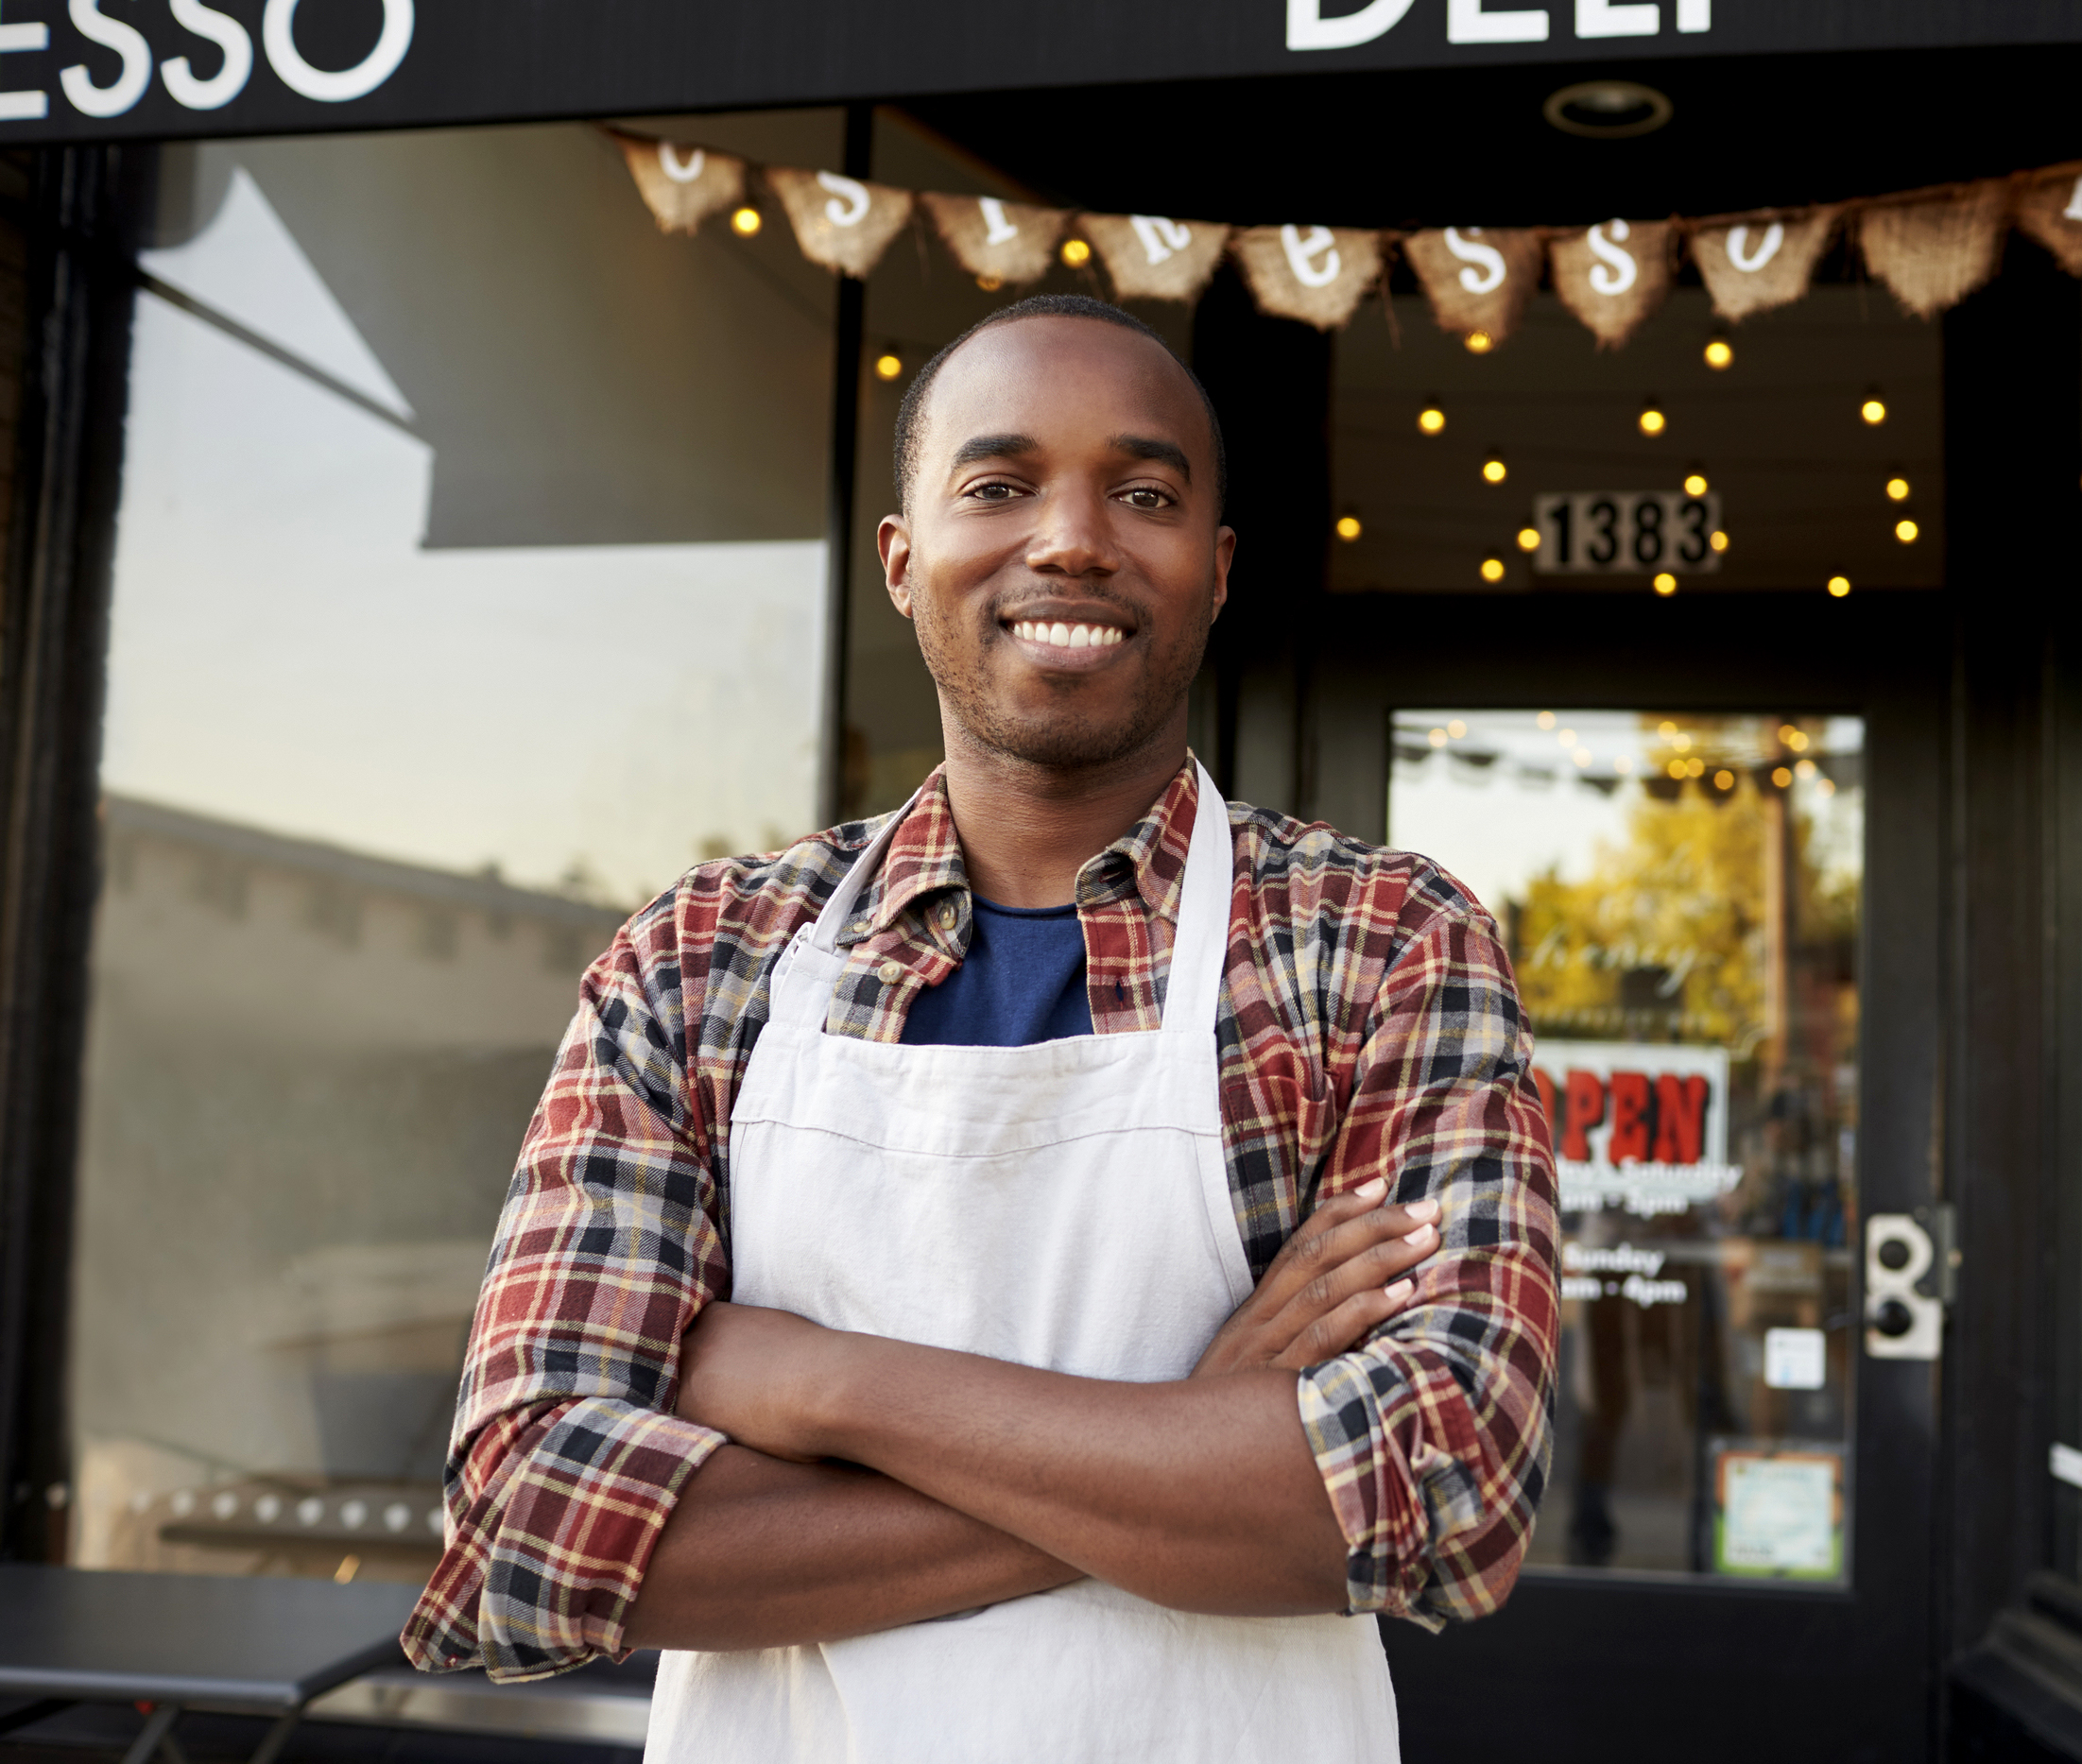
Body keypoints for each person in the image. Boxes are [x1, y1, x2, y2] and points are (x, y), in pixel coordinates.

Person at [403, 293, 1561, 1759]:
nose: (1072, 538)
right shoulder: (701, 963)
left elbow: (1438, 1499)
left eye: (1143, 494)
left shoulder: (1380, 944)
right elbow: (529, 1533)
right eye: (999, 485)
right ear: (904, 562)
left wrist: (828, 1385)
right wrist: (1191, 1426)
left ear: (1214, 572)